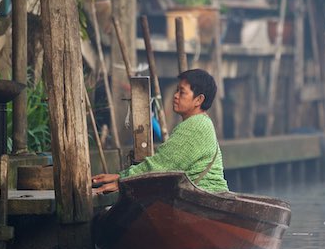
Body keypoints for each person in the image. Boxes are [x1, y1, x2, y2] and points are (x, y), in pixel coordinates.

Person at [92, 68, 229, 194]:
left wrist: (122, 180)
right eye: (176, 91)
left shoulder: (196, 125)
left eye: (182, 92)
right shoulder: (202, 122)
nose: (175, 96)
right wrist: (121, 177)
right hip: (207, 196)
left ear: (199, 99)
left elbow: (161, 166)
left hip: (205, 195)